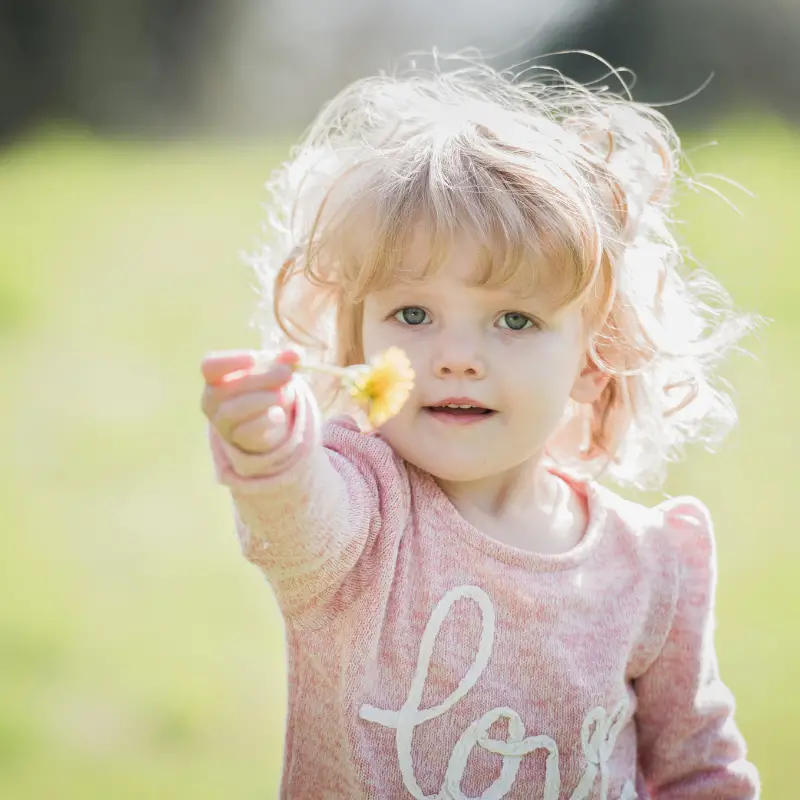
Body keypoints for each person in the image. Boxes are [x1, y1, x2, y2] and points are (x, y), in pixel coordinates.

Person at [200, 57, 760, 799]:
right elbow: (299, 516)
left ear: (593, 362)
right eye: (413, 314)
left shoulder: (652, 565)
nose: (457, 357)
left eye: (515, 319)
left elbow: (700, 770)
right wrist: (274, 447)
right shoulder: (363, 513)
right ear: (358, 344)